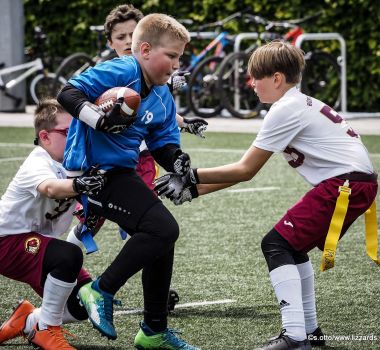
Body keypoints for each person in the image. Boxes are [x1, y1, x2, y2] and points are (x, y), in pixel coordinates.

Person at [154, 41, 378, 350]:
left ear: (276, 78)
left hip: (346, 184)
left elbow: (245, 169)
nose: (250, 84)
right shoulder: (297, 103)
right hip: (354, 183)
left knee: (276, 244)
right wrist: (194, 190)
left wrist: (190, 178)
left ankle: (295, 335)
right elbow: (245, 171)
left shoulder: (284, 109)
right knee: (292, 247)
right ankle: (309, 332)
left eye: (254, 77)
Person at [57, 13, 200, 350]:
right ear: (145, 50)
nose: (177, 64)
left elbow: (164, 144)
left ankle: (153, 332)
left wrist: (178, 162)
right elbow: (68, 92)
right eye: (173, 56)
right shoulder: (123, 70)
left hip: (121, 172)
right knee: (163, 229)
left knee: (161, 236)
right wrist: (99, 120)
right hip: (93, 175)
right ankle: (99, 289)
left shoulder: (164, 96)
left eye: (180, 57)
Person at [0, 99, 106, 349]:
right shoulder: (38, 161)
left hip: (32, 241)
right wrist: (79, 186)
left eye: (79, 131)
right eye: (68, 132)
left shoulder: (73, 163)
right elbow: (50, 188)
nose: (76, 137)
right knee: (67, 256)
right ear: (45, 136)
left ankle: (28, 320)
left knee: (84, 304)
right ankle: (46, 329)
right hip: (5, 242)